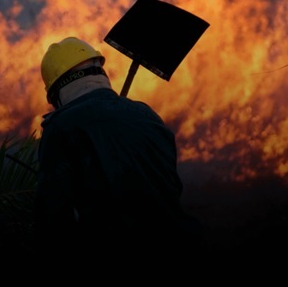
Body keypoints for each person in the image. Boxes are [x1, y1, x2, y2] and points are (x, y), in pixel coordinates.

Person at [34, 36, 203, 255]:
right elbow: (170, 186)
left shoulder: (61, 127)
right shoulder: (147, 115)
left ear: (57, 93)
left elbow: (53, 221)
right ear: (101, 74)